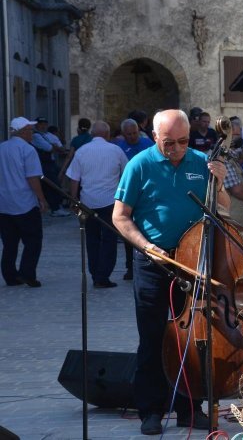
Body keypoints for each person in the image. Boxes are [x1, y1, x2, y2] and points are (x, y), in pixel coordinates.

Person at [112, 109, 228, 435]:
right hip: (153, 264)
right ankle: (150, 409)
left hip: (192, 263)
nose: (177, 148)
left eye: (182, 141)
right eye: (168, 143)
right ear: (154, 138)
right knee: (152, 338)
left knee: (189, 339)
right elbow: (120, 216)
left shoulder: (201, 162)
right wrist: (145, 246)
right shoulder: (139, 165)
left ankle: (189, 407)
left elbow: (223, 207)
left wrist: (219, 183)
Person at [66, 121, 128, 288]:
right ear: (107, 135)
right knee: (109, 239)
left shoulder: (81, 151)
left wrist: (74, 200)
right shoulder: (116, 150)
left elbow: (74, 179)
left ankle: (95, 274)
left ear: (92, 135)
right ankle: (104, 275)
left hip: (88, 202)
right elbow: (127, 173)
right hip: (110, 201)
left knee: (92, 239)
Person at [0, 117, 48, 287]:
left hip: (4, 204)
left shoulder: (2, 148)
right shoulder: (28, 150)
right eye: (29, 131)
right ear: (22, 131)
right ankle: (27, 273)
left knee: (9, 243)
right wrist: (41, 199)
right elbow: (33, 177)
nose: (32, 134)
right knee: (33, 240)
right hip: (24, 202)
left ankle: (10, 275)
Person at [114, 119, 156, 280]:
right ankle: (130, 267)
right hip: (129, 194)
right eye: (128, 134)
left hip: (147, 195)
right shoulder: (118, 147)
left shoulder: (148, 144)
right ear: (123, 134)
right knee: (128, 232)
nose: (132, 136)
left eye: (134, 133)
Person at [32, 117, 70, 216]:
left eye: (45, 124)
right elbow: (49, 148)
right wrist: (53, 146)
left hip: (51, 163)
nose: (43, 126)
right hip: (43, 164)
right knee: (52, 185)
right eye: (41, 124)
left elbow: (61, 148)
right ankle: (55, 208)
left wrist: (54, 146)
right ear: (36, 125)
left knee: (56, 183)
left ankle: (56, 205)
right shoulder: (36, 136)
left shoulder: (47, 135)